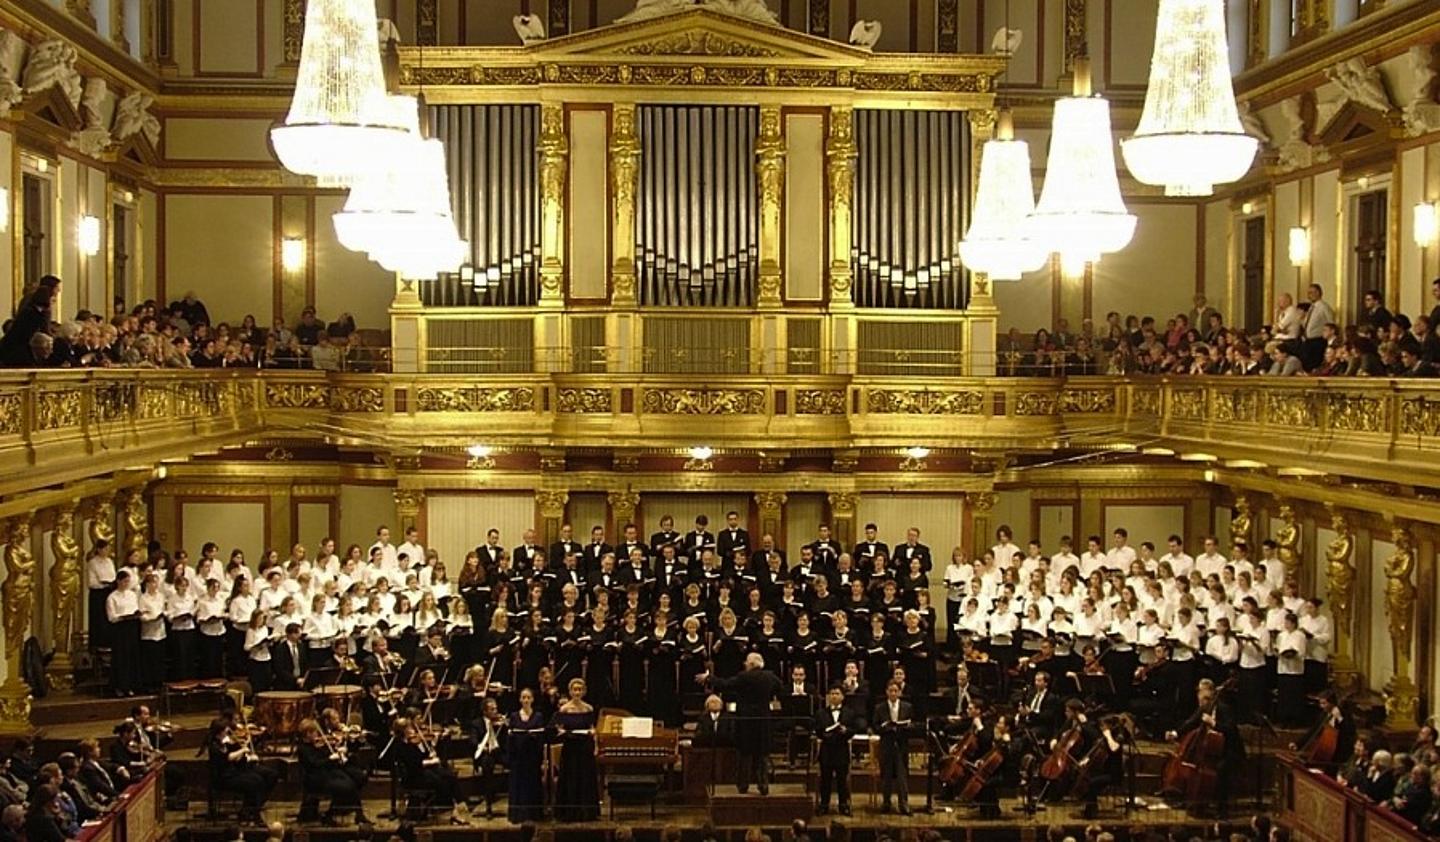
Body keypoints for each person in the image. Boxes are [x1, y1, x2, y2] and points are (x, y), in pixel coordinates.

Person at [701, 652, 783, 795]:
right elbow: (780, 688)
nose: (744, 664)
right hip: (763, 722)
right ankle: (763, 785)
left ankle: (743, 786)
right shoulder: (770, 676)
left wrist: (709, 678)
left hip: (746, 722)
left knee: (745, 755)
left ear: (751, 664)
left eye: (746, 662)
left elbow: (725, 684)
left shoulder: (744, 677)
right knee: (762, 756)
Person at [1165, 682, 1243, 817]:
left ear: (1211, 695)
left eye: (1203, 695)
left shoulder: (1225, 709)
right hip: (1212, 752)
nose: (1200, 699)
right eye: (1199, 695)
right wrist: (1174, 733)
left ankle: (1222, 809)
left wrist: (1214, 723)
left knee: (1221, 769)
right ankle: (1193, 800)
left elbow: (1231, 730)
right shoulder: (1204, 708)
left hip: (1230, 751)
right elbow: (1191, 723)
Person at [206, 717, 277, 823]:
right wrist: (242, 749)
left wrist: (243, 750)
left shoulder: (224, 742)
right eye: (225, 730)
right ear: (219, 732)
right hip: (224, 778)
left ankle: (249, 810)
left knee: (260, 779)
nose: (228, 731)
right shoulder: (214, 746)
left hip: (233, 772)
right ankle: (251, 811)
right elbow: (228, 757)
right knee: (255, 782)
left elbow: (235, 759)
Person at [297, 718, 367, 825]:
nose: (317, 734)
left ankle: (358, 814)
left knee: (355, 780)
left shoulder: (318, 744)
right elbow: (315, 764)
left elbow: (327, 755)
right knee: (348, 787)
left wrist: (338, 750)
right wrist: (330, 759)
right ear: (307, 734)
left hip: (328, 773)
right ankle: (331, 814)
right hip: (315, 778)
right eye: (314, 732)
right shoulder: (303, 749)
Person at [552, 678, 600, 822]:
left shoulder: (588, 708)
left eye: (580, 689)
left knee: (585, 777)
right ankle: (569, 813)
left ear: (584, 691)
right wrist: (561, 731)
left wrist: (594, 737)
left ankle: (587, 812)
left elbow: (592, 727)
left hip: (584, 746)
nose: (577, 692)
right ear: (570, 691)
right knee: (571, 777)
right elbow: (558, 727)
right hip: (571, 746)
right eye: (575, 689)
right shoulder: (564, 709)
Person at [814, 685, 857, 816]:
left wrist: (846, 731)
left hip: (841, 751)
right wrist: (824, 734)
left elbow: (853, 730)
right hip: (827, 751)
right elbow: (818, 730)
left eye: (837, 693)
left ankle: (843, 805)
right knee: (825, 780)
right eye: (832, 693)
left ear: (842, 697)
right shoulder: (821, 713)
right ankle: (824, 805)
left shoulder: (850, 713)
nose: (834, 696)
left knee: (841, 781)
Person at [873, 680, 914, 814]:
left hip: (901, 745)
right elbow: (875, 727)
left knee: (902, 776)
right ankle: (886, 803)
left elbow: (912, 726)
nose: (893, 693)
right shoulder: (880, 708)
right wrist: (885, 727)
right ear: (886, 692)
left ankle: (904, 804)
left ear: (900, 692)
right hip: (887, 744)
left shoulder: (907, 707)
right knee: (887, 775)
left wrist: (906, 726)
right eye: (890, 691)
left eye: (895, 691)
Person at [506, 688, 545, 824]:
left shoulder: (538, 716)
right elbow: (510, 736)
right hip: (518, 757)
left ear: (532, 699)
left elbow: (541, 737)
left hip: (532, 757)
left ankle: (534, 814)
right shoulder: (514, 716)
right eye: (524, 697)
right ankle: (519, 814)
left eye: (529, 697)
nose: (526, 700)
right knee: (518, 784)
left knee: (533, 784)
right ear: (520, 700)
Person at [105, 570, 141, 697]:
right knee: (121, 658)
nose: (127, 584)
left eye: (128, 581)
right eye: (125, 581)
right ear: (119, 581)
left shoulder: (132, 595)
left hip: (132, 627)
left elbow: (136, 608)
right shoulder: (112, 597)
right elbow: (111, 617)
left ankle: (131, 685)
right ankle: (119, 686)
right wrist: (122, 617)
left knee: (132, 657)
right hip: (120, 629)